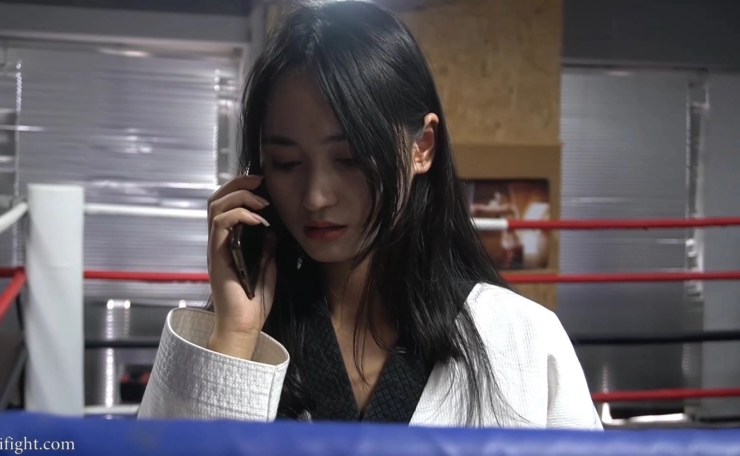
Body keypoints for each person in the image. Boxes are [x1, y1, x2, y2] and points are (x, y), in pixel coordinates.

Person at [138, 1, 602, 429]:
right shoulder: (226, 337)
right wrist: (235, 337)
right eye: (286, 163)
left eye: (351, 159)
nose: (316, 197)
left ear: (422, 147)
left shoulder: (525, 340)